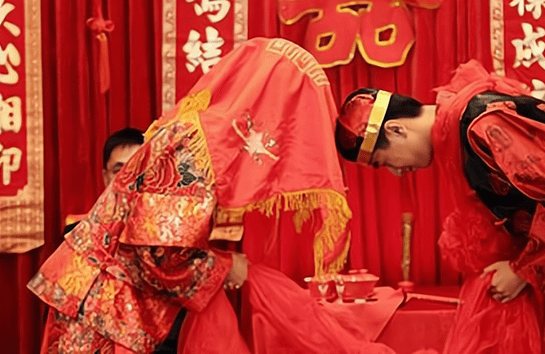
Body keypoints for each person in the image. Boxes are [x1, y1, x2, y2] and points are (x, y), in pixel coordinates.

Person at [28, 38, 354, 354]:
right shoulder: (197, 148)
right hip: (99, 306)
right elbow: (157, 253)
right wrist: (226, 267)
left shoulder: (203, 135)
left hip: (110, 303)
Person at [334, 60, 545, 354]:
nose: (397, 172)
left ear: (395, 130)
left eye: (383, 162)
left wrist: (522, 270)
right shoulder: (461, 125)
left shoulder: (481, 125)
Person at [64, 127, 144, 230]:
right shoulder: (77, 232)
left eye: (136, 169)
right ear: (106, 178)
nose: (127, 179)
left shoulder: (163, 232)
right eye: (119, 171)